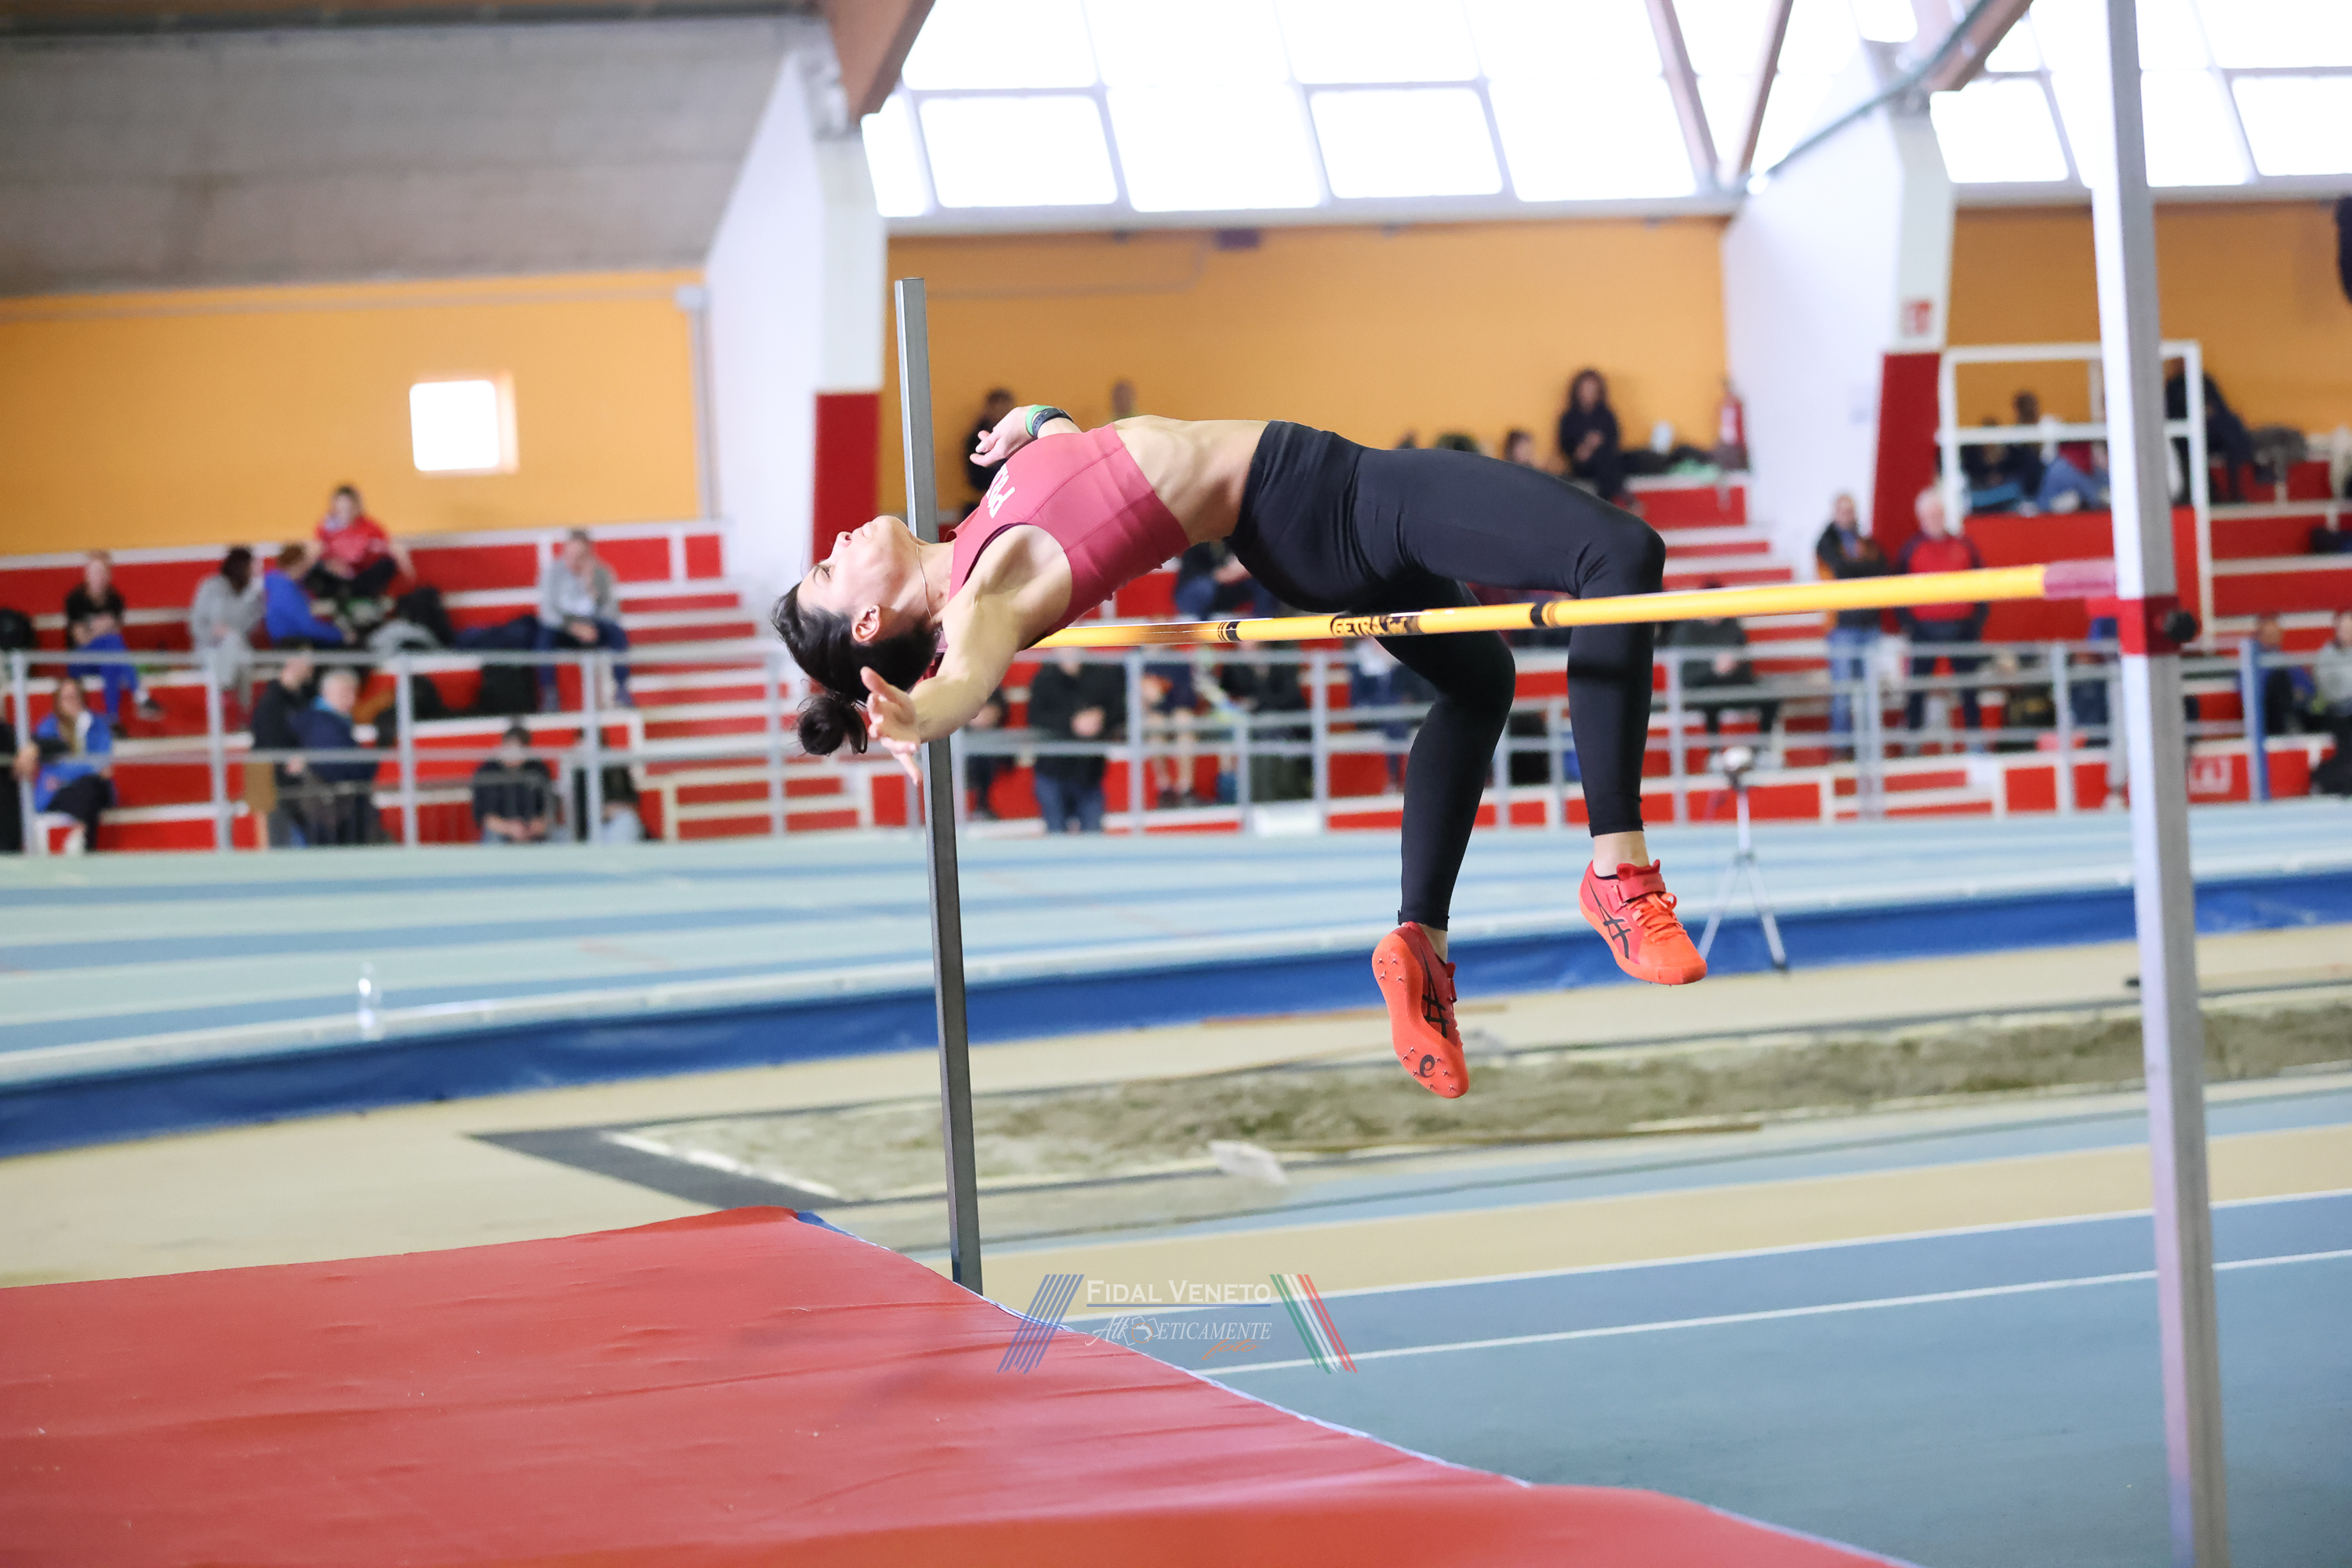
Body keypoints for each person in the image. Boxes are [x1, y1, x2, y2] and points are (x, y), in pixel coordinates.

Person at [771, 402, 1697, 1102]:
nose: (839, 540)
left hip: (1303, 518)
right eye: (827, 567)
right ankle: (1619, 874)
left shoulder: (981, 530)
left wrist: (1037, 420)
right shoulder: (985, 596)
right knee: (1620, 554)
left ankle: (1423, 940)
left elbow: (1089, 465)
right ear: (868, 620)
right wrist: (923, 712)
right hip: (1326, 497)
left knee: (1479, 683)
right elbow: (970, 675)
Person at [1896, 487, 1989, 742]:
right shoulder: (1911, 549)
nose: (1935, 520)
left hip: (1962, 628)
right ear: (1921, 518)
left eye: (1938, 514)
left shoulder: (1964, 545)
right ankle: (1913, 741)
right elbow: (1897, 592)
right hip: (1924, 630)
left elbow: (1983, 585)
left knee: (1969, 688)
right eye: (1930, 515)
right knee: (1917, 687)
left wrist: (1975, 624)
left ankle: (1975, 742)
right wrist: (1910, 626)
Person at [1813, 492, 1889, 757]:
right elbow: (1842, 570)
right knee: (1843, 692)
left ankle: (1871, 746)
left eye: (1851, 510)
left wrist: (1857, 569)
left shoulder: (1865, 541)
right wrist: (1863, 570)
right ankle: (1841, 748)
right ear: (1834, 514)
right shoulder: (1825, 543)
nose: (1847, 516)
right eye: (1842, 511)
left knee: (1870, 692)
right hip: (1842, 627)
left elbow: (1882, 568)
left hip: (1869, 625)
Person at [1025, 649, 1125, 833]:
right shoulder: (1044, 679)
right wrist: (1072, 723)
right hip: (1052, 770)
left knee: (1093, 837)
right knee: (1056, 836)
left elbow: (1119, 711)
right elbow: (1035, 717)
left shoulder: (1101, 676)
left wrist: (1101, 718)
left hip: (1089, 770)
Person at [1664, 586, 1778, 744]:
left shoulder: (1732, 626)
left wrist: (1733, 666)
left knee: (1770, 696)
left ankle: (1763, 748)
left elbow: (1746, 664)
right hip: (1701, 688)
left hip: (1733, 685)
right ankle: (1715, 752)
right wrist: (1713, 669)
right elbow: (1684, 673)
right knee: (1711, 700)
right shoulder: (1686, 631)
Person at [535, 530, 633, 712]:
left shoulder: (602, 572)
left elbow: (612, 612)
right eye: (570, 555)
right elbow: (547, 612)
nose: (574, 560)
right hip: (564, 628)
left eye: (579, 556)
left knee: (617, 634)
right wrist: (573, 627)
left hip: (593, 626)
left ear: (589, 554)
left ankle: (621, 689)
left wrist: (591, 587)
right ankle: (549, 693)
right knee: (543, 638)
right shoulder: (553, 573)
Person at [15, 677, 113, 853]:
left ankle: (80, 835)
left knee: (91, 786)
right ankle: (82, 840)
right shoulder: (48, 727)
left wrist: (68, 775)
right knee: (90, 787)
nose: (71, 702)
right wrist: (89, 768)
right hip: (57, 793)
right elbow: (56, 766)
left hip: (88, 787)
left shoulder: (98, 725)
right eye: (66, 698)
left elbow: (103, 761)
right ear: (58, 702)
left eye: (75, 696)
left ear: (83, 698)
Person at [64, 552, 165, 724]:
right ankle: (141, 696)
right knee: (112, 644)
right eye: (94, 572)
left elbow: (115, 633)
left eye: (102, 572)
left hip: (105, 657)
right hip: (80, 661)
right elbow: (81, 639)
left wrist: (95, 628)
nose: (98, 577)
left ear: (109, 575)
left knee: (111, 660)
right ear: (86, 574)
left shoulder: (115, 600)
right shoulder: (75, 600)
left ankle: (113, 720)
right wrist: (103, 627)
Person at [288, 666, 379, 845]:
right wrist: (366, 766)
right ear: (326, 693)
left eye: (353, 693)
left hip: (336, 811)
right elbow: (338, 765)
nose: (351, 700)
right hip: (332, 811)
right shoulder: (321, 724)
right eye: (344, 693)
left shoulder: (331, 722)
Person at [308, 485, 416, 617]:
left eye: (349, 506)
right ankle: (348, 595)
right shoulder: (325, 527)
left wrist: (408, 574)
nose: (345, 510)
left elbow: (390, 547)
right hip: (338, 576)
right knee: (317, 569)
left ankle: (355, 595)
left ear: (357, 506)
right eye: (341, 506)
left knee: (387, 564)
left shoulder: (369, 526)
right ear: (334, 506)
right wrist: (331, 563)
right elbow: (316, 552)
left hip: (364, 576)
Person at [250, 650, 319, 847]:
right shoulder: (270, 701)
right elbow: (268, 740)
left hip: (293, 776)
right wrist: (290, 759)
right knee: (277, 838)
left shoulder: (306, 696)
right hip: (270, 776)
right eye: (305, 660)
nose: (311, 665)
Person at [190, 546, 266, 712]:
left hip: (239, 649)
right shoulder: (211, 587)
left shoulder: (252, 595)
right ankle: (233, 697)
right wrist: (216, 632)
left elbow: (248, 628)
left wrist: (253, 594)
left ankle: (226, 692)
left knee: (238, 649)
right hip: (210, 649)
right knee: (238, 652)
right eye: (253, 566)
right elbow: (197, 625)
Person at [471, 722, 557, 844]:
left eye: (521, 750)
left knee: (561, 838)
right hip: (500, 834)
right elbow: (485, 817)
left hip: (535, 834)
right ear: (504, 745)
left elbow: (550, 807)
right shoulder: (487, 772)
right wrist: (509, 828)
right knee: (493, 843)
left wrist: (539, 824)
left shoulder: (538, 769)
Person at [1555, 369, 1628, 503]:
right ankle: (1624, 497)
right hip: (1582, 466)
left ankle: (1606, 501)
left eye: (1592, 389)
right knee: (1605, 464)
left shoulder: (1606, 415)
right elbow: (1565, 445)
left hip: (1605, 462)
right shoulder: (1569, 417)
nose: (1587, 393)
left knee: (1608, 460)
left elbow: (1614, 441)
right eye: (1584, 389)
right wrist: (1582, 448)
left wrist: (1597, 444)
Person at [1173, 540, 1280, 622]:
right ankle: (1201, 633)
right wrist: (1231, 572)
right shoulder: (1197, 541)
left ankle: (1260, 627)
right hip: (1193, 595)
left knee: (1266, 579)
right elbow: (1200, 574)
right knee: (1204, 587)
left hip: (1227, 593)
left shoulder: (1236, 537)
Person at [263, 545, 347, 647]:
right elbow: (307, 626)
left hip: (292, 640)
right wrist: (341, 635)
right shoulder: (285, 589)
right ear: (298, 563)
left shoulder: (285, 585)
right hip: (293, 644)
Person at [2248, 612, 2316, 736]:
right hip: (2265, 714)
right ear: (2260, 636)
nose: (2274, 638)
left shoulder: (2287, 660)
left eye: (2276, 634)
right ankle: (2289, 721)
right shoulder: (2250, 663)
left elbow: (2309, 688)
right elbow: (2250, 693)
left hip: (2295, 708)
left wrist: (2297, 693)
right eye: (2269, 634)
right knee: (2279, 678)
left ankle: (2290, 721)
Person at [964, 688, 1010, 818]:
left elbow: (1002, 708)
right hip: (964, 738)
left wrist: (993, 714)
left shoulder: (993, 684)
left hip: (992, 739)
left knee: (989, 758)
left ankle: (983, 806)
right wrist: (969, 718)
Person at [963, 389, 1017, 497]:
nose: (1002, 411)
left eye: (1006, 406)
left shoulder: (1018, 434)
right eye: (998, 406)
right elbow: (976, 477)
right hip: (989, 493)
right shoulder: (977, 438)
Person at [2037, 441, 2111, 514]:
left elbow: (2098, 499)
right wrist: (2055, 506)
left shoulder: (2097, 469)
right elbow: (2041, 506)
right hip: (2062, 519)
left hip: (2093, 518)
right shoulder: (2059, 469)